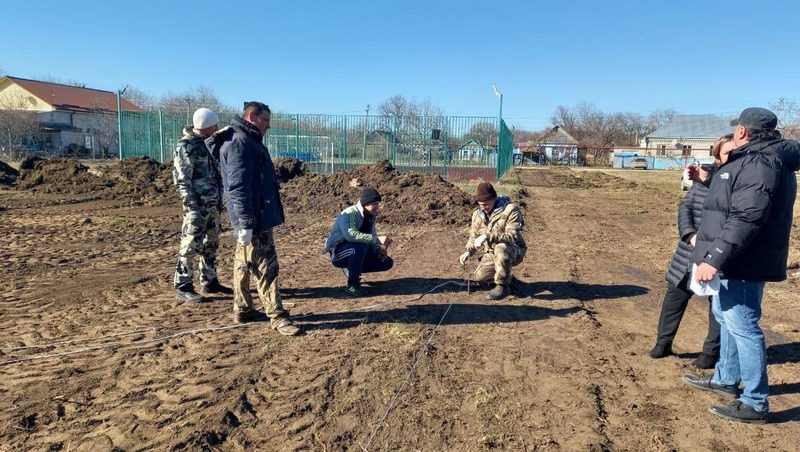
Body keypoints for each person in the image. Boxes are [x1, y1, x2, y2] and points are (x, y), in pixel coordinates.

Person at [683, 107, 800, 424]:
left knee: (744, 328)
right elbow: (734, 201)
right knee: (726, 318)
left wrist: (715, 257)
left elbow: (747, 217)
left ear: (743, 132)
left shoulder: (760, 162)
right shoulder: (755, 160)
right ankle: (725, 379)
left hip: (742, 262)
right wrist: (710, 179)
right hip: (737, 260)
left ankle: (755, 402)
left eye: (737, 128)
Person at [205, 101, 299, 336]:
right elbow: (237, 186)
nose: (268, 126)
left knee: (243, 263)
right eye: (265, 120)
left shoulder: (245, 140)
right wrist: (246, 223)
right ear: (251, 116)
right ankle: (277, 317)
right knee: (267, 267)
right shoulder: (241, 143)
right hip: (254, 218)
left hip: (250, 215)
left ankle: (243, 308)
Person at [649, 135, 735, 368]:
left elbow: (728, 204)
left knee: (716, 304)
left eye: (735, 151)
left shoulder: (736, 180)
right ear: (717, 154)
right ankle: (663, 343)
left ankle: (710, 353)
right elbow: (686, 206)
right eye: (727, 152)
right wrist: (689, 234)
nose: (731, 156)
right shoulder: (704, 177)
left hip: (718, 252)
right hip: (689, 250)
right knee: (674, 296)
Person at [173, 107, 232, 302]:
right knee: (190, 244)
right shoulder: (186, 147)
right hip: (196, 206)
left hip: (212, 204)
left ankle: (209, 281)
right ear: (206, 126)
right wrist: (191, 206)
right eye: (213, 125)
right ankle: (183, 285)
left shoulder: (207, 143)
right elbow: (182, 180)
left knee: (211, 244)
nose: (216, 128)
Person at [459, 182, 527, 300]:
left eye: (486, 204)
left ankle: (502, 286)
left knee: (500, 247)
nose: (483, 208)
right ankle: (506, 276)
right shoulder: (478, 214)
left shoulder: (510, 210)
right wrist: (468, 251)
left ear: (494, 199)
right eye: (481, 204)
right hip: (491, 252)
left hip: (513, 249)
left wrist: (488, 236)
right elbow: (474, 236)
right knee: (480, 277)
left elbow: (513, 236)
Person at [324, 187, 394, 296]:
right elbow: (351, 235)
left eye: (378, 203)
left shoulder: (371, 216)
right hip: (338, 252)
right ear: (366, 203)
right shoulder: (350, 213)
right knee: (358, 248)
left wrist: (377, 249)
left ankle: (353, 270)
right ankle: (352, 287)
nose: (377, 206)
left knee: (386, 262)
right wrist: (378, 240)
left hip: (356, 250)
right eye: (374, 203)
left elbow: (371, 235)